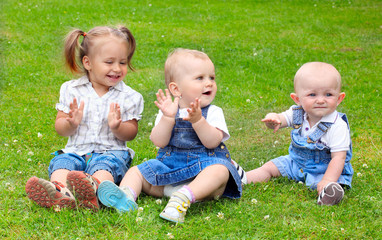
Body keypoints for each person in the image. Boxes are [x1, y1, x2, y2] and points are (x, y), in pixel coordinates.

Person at [97, 48, 242, 223]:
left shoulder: (213, 112)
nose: (209, 83)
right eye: (200, 78)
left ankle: (183, 199)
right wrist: (167, 118)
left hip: (202, 175)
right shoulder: (169, 111)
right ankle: (126, 196)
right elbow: (159, 141)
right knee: (137, 172)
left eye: (212, 77)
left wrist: (198, 121)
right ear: (176, 88)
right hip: (169, 171)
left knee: (220, 170)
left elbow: (212, 142)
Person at [25, 26, 144, 211]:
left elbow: (131, 133)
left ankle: (95, 189)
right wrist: (70, 123)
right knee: (63, 163)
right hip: (76, 150)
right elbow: (60, 128)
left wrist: (118, 127)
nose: (117, 68)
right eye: (109, 62)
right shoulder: (71, 90)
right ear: (88, 63)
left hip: (111, 152)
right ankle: (61, 192)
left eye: (122, 62)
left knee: (105, 166)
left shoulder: (130, 96)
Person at [246, 62, 353, 206]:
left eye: (328, 94)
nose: (320, 100)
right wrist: (273, 119)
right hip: (295, 162)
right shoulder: (297, 113)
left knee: (320, 184)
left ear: (339, 98)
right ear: (297, 99)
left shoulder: (337, 125)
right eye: (312, 94)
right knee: (270, 167)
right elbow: (281, 119)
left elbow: (339, 158)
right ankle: (242, 179)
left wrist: (328, 179)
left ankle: (330, 193)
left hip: (323, 170)